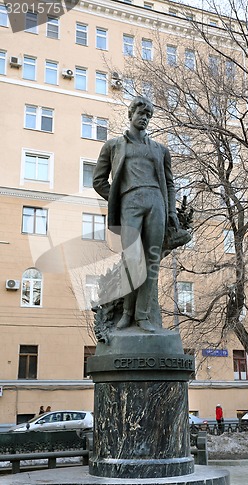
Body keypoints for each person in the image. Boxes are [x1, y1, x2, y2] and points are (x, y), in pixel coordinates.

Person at [93, 96, 179, 332]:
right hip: (130, 202)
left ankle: (142, 316)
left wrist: (171, 210)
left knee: (151, 262)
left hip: (156, 204)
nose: (144, 119)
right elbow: (99, 181)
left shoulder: (160, 150)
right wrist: (118, 199)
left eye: (148, 116)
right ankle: (127, 313)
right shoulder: (113, 146)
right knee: (131, 260)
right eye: (141, 114)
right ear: (131, 114)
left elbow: (170, 184)